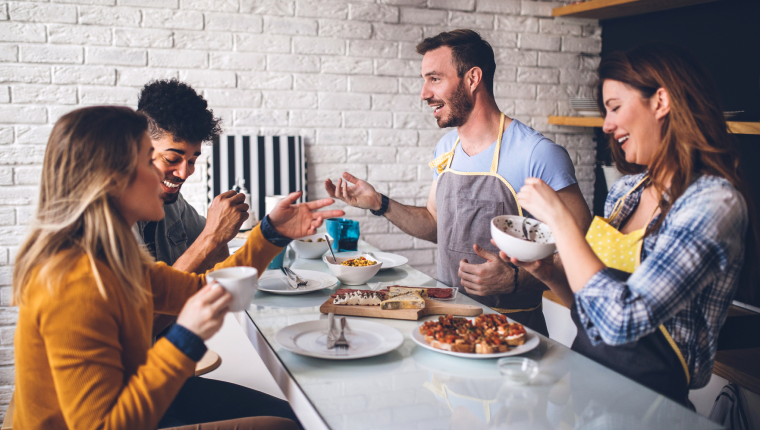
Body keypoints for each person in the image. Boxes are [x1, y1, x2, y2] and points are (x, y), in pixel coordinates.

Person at [12, 106, 343, 429]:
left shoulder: (116, 260)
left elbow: (204, 287)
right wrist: (185, 338)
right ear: (111, 181)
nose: (171, 174)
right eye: (149, 161)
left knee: (294, 417)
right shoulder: (73, 283)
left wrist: (271, 232)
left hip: (134, 397)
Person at [504, 43, 754, 406]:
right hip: (587, 390)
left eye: (615, 107)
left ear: (661, 102)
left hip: (650, 407)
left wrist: (561, 220)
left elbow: (623, 321)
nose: (607, 125)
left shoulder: (713, 204)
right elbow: (595, 311)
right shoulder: (626, 192)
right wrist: (549, 273)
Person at [325, 29, 591, 335]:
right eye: (424, 80)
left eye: (434, 78)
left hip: (515, 336)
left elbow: (581, 252)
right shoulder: (446, 149)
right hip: (449, 326)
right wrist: (379, 204)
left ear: (472, 79)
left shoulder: (537, 154)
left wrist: (516, 278)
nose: (424, 93)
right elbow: (436, 224)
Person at [136, 79, 248, 336]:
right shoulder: (110, 219)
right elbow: (142, 325)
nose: (185, 172)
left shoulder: (172, 202)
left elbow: (218, 266)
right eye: (172, 159)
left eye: (192, 159)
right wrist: (211, 236)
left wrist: (224, 231)